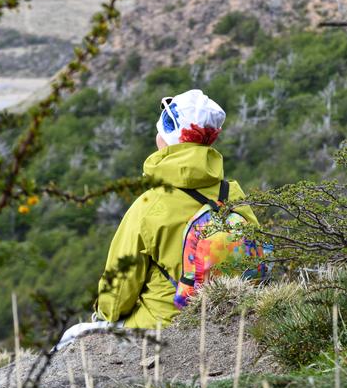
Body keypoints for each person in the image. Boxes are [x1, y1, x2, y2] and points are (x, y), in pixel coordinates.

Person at [56, 88, 258, 348]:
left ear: (169, 136)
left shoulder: (149, 205)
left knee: (71, 337)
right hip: (231, 320)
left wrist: (103, 316)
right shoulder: (233, 193)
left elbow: (117, 292)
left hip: (163, 327)